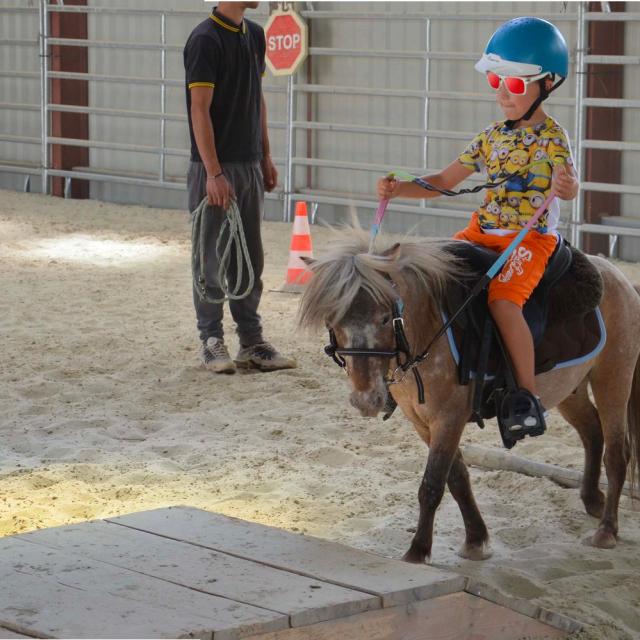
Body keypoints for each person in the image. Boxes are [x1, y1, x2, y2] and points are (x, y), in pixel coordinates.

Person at [377, 17, 578, 431]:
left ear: (548, 84)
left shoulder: (554, 138)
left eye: (516, 86)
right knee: (430, 277)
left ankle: (526, 398)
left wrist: (566, 184)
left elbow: (569, 185)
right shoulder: (490, 137)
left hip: (529, 239)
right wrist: (401, 188)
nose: (504, 95)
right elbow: (443, 182)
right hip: (480, 231)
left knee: (504, 303)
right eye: (495, 83)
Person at [184, 2, 296, 374]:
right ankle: (211, 340)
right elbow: (199, 109)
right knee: (210, 258)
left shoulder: (254, 35)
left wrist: (264, 155)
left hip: (247, 164)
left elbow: (256, 99)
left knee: (249, 257)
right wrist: (213, 173)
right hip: (215, 167)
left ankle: (251, 341)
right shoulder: (205, 39)